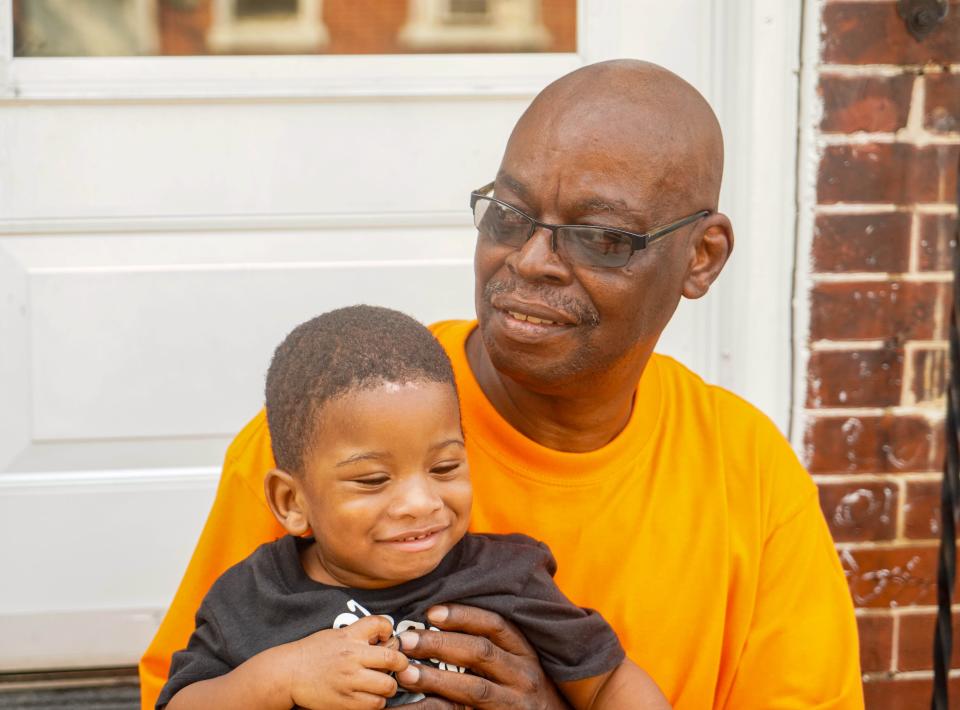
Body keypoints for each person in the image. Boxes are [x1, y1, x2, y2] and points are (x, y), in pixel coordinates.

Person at [141, 59, 864, 710]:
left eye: (601, 236)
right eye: (510, 216)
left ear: (701, 258)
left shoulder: (748, 474)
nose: (532, 260)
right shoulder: (334, 429)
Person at [157, 306, 671, 710]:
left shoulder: (507, 576)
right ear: (292, 502)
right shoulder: (254, 597)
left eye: (445, 468)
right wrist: (282, 677)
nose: (421, 503)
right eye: (373, 479)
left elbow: (607, 686)